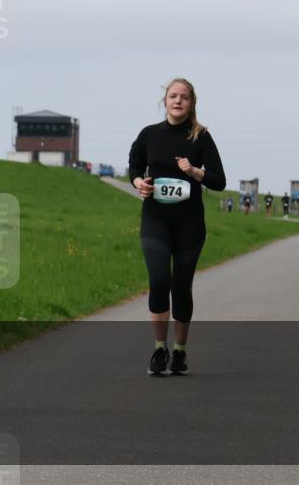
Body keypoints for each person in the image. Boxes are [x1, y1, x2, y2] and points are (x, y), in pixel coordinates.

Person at [128, 78, 225, 376]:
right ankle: (160, 349)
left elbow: (219, 181)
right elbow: (133, 167)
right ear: (165, 101)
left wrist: (195, 171)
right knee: (159, 281)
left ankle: (180, 352)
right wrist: (139, 183)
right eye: (173, 96)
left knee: (181, 287)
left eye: (184, 97)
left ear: (192, 103)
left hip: (189, 224)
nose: (178, 101)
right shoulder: (149, 134)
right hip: (156, 219)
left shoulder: (201, 137)